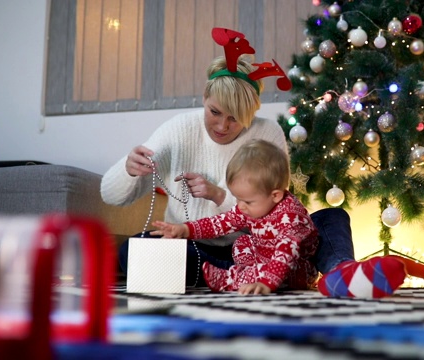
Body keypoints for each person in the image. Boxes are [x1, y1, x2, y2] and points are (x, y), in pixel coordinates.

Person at [100, 27, 405, 299]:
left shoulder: (267, 132)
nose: (222, 126)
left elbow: (273, 208)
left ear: (251, 114)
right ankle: (229, 277)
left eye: (235, 119)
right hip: (208, 251)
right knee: (136, 249)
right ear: (205, 98)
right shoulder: (179, 129)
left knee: (331, 218)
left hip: (262, 246)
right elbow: (111, 196)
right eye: (215, 112)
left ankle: (343, 273)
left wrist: (218, 195)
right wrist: (129, 171)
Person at [151, 139, 318, 295]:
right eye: (237, 198)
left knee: (274, 268)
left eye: (247, 201)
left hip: (294, 267)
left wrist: (267, 283)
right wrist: (185, 229)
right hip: (262, 255)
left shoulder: (291, 218)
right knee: (241, 242)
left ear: (275, 195)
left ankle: (229, 279)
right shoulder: (252, 207)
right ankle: (247, 273)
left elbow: (285, 254)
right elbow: (220, 223)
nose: (240, 206)